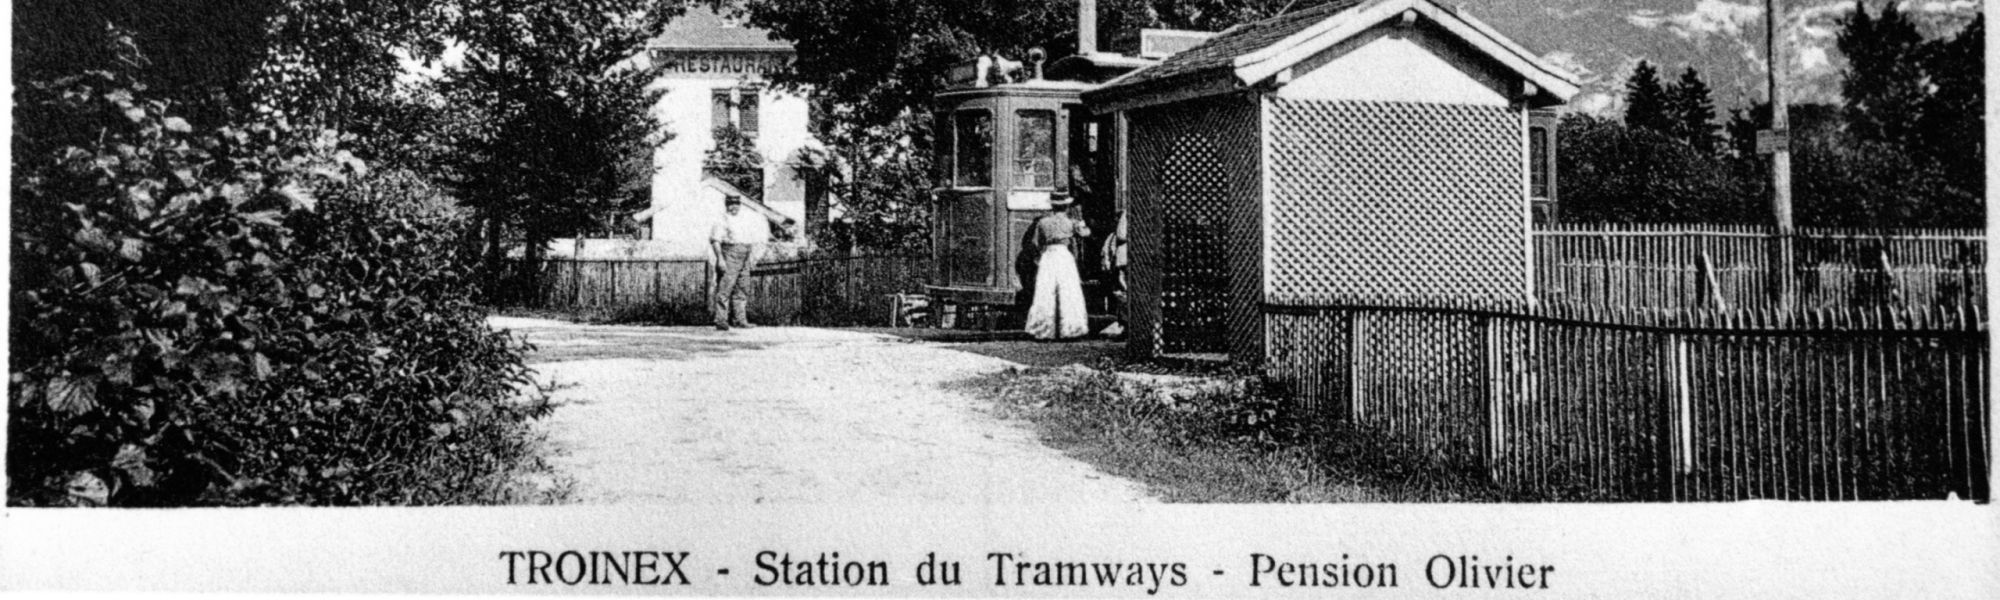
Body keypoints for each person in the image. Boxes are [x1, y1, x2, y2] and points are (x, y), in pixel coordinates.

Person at [1025, 192, 1090, 340]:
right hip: (1064, 255)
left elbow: (1036, 243)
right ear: (1066, 206)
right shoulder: (1071, 222)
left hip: (1048, 255)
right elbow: (1085, 234)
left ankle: (1043, 331)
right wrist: (1082, 224)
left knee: (1045, 291)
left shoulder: (1042, 222)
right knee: (1069, 291)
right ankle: (1071, 330)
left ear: (1052, 206)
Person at [709, 195, 769, 330]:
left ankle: (740, 320)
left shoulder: (743, 219)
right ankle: (721, 321)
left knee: (742, 288)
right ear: (726, 205)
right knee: (725, 289)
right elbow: (715, 241)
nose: (734, 207)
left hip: (745, 254)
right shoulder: (721, 219)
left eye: (736, 204)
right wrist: (720, 259)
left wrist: (751, 257)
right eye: (730, 204)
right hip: (729, 253)